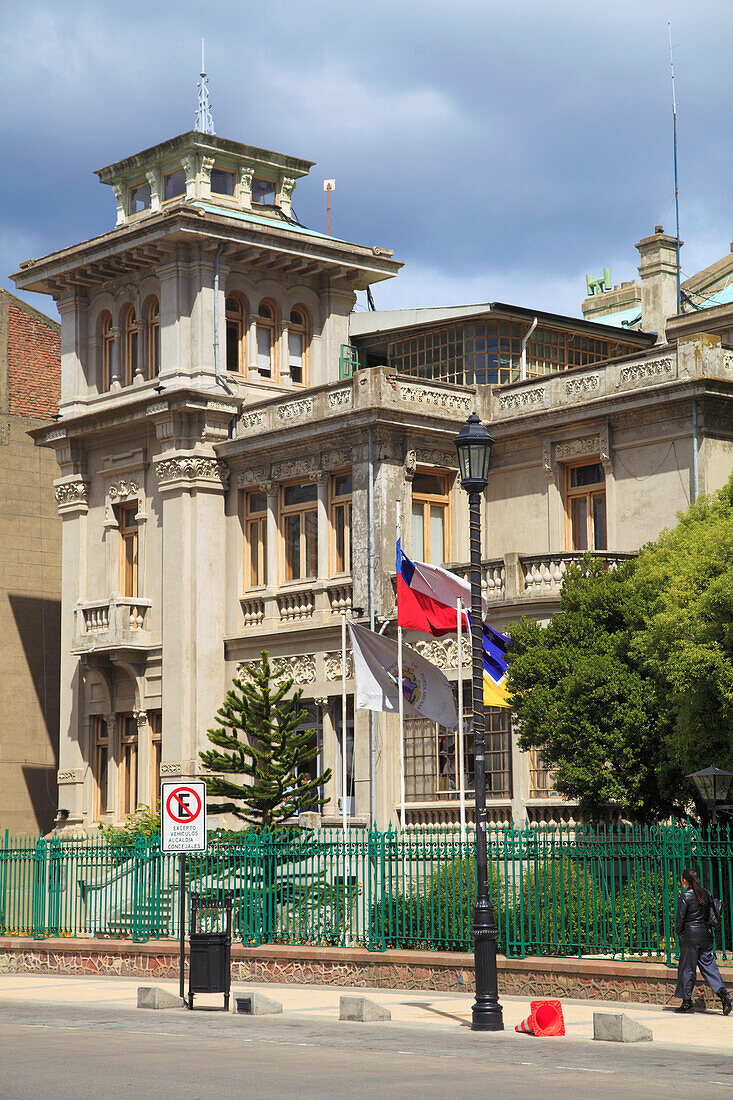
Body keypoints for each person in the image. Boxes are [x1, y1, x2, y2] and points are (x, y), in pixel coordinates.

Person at [674, 866, 732, 1015]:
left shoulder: (685, 896)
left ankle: (687, 1002)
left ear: (685, 881)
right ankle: (724, 995)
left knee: (687, 969)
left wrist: (679, 932)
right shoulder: (706, 893)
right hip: (706, 936)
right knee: (709, 967)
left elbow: (680, 919)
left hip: (690, 937)